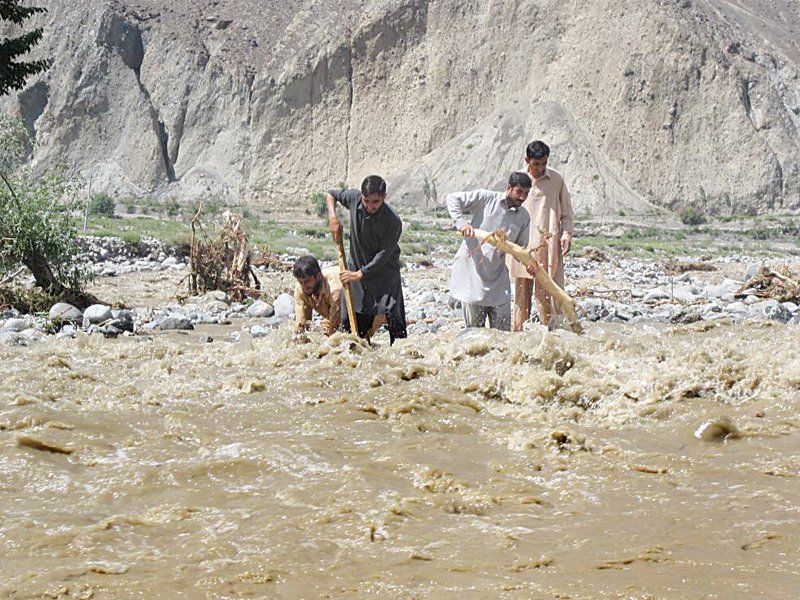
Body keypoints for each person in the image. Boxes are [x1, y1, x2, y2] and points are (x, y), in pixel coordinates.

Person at [446, 171, 536, 330]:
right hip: (472, 275)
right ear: (509, 188)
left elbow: (520, 250)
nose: (522, 197)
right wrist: (461, 223)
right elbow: (452, 199)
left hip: (497, 279)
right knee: (474, 335)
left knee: (502, 336)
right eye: (519, 192)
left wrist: (528, 264)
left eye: (526, 193)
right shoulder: (486, 198)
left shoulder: (523, 217)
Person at [325, 175, 407, 344]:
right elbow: (331, 195)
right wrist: (333, 218)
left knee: (395, 323)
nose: (370, 206)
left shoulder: (393, 222)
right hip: (356, 267)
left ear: (383, 197)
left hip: (384, 274)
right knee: (350, 323)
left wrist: (360, 274)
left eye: (375, 202)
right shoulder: (354, 198)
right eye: (366, 201)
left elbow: (383, 255)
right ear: (361, 195)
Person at [508, 140, 575, 329]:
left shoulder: (556, 179)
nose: (540, 168)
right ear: (527, 160)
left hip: (548, 243)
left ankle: (551, 334)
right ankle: (518, 333)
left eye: (544, 163)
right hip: (523, 244)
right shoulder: (519, 181)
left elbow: (567, 211)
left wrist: (567, 234)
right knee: (521, 294)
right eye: (536, 164)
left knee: (547, 293)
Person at [292, 255, 342, 339]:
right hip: (332, 309)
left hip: (360, 306)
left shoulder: (335, 289)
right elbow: (301, 325)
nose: (304, 286)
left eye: (307, 281)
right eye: (300, 282)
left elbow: (333, 329)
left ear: (318, 276)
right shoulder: (300, 290)